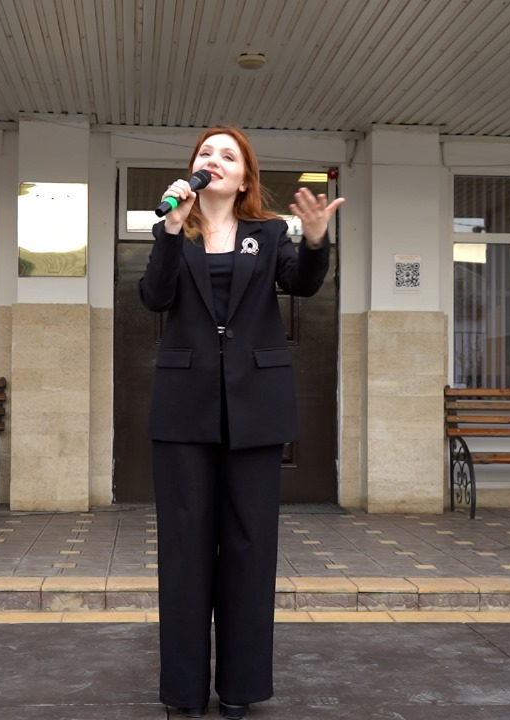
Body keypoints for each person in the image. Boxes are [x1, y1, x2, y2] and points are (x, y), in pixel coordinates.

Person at [139, 126, 344, 719]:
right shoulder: (172, 230)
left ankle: (240, 687)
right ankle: (184, 691)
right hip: (184, 410)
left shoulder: (270, 233)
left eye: (228, 155)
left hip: (256, 409)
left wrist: (315, 239)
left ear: (245, 177)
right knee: (184, 551)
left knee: (250, 549)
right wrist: (171, 230)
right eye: (206, 153)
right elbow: (154, 297)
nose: (214, 160)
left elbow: (302, 284)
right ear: (194, 170)